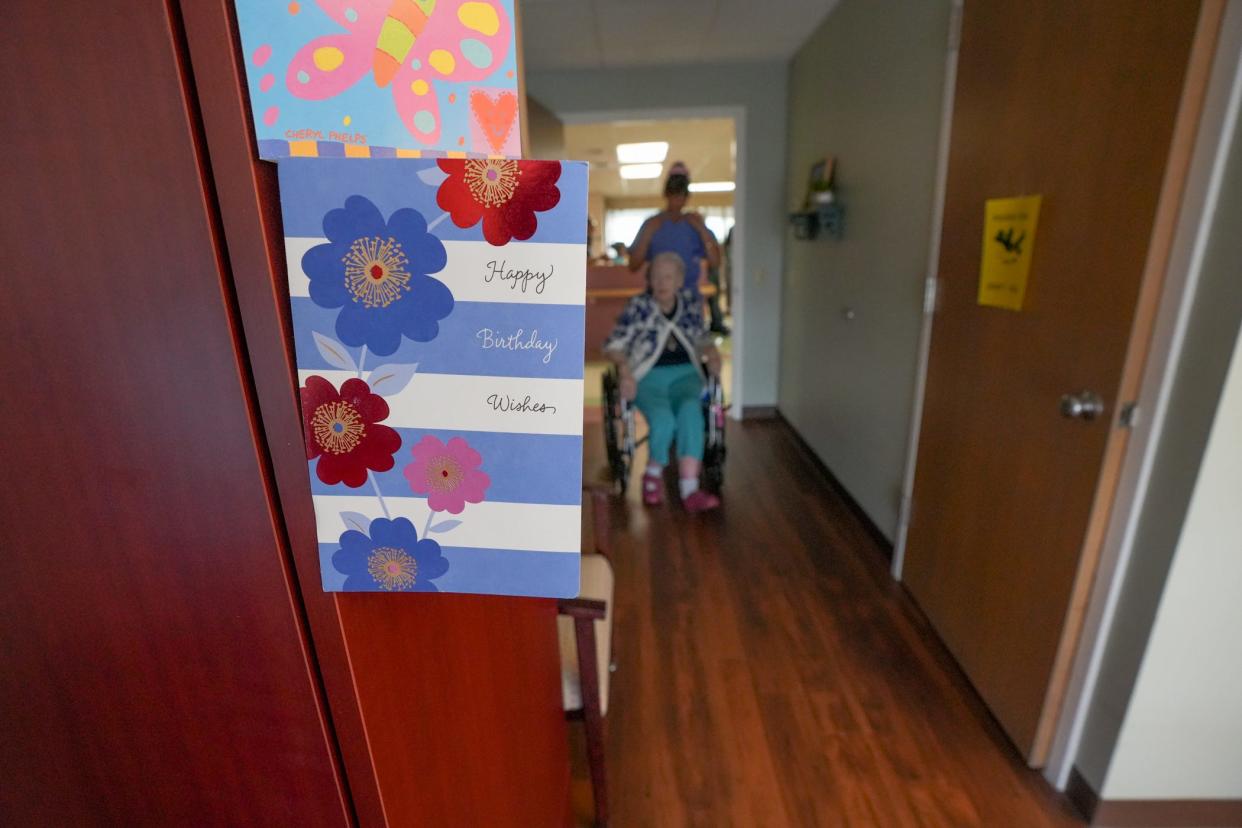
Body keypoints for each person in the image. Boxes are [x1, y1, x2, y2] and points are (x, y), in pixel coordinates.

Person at [604, 252, 723, 512]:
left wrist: (712, 353)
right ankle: (653, 472)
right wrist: (624, 370)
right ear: (649, 279)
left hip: (685, 375)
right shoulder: (639, 306)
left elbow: (701, 337)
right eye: (656, 276)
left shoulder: (691, 304)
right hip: (647, 378)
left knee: (691, 411)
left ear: (680, 281)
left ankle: (690, 490)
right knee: (663, 419)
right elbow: (614, 345)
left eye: (668, 277)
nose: (661, 282)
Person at [628, 162, 720, 298]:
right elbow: (633, 265)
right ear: (666, 194)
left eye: (681, 194)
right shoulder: (652, 224)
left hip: (688, 299)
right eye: (673, 193)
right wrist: (647, 234)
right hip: (658, 300)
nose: (677, 199)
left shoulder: (694, 225)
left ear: (687, 197)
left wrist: (702, 230)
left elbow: (715, 262)